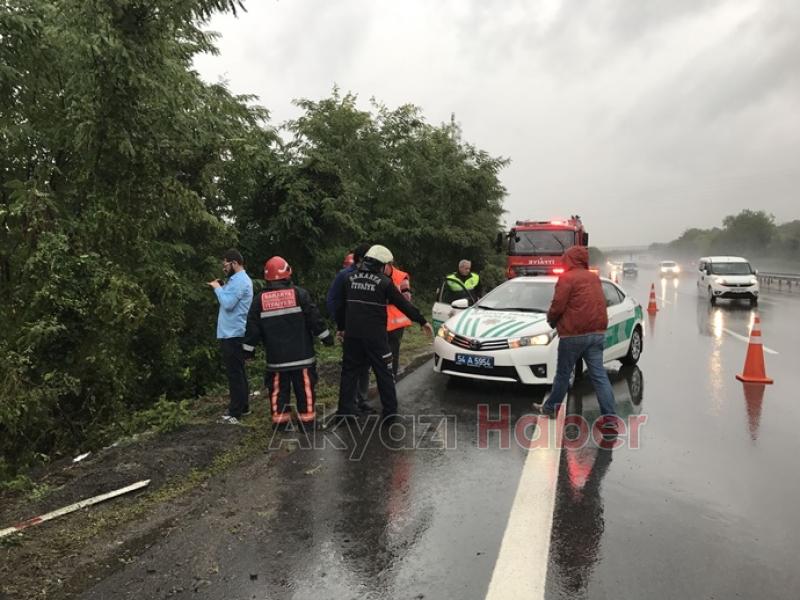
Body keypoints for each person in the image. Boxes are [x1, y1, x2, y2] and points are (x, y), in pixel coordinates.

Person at [333, 245, 433, 425]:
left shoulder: (348, 279)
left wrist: (341, 327)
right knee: (384, 374)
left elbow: (341, 307)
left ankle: (344, 413)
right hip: (376, 337)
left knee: (349, 373)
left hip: (353, 336)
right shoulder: (384, 282)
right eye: (388, 265)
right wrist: (422, 320)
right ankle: (389, 415)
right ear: (381, 264)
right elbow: (403, 304)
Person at [533, 246, 617, 430]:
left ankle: (550, 408)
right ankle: (610, 419)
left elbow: (557, 305)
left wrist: (551, 320)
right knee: (599, 376)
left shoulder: (567, 278)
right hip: (596, 333)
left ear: (569, 259)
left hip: (573, 334)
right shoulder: (594, 278)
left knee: (563, 374)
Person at [244, 256, 333, 430]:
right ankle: (307, 423)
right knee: (305, 388)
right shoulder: (300, 294)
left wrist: (248, 351)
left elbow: (252, 329)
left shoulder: (259, 300)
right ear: (287, 273)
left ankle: (281, 424)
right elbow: (314, 319)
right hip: (302, 356)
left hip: (276, 359)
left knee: (278, 390)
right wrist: (326, 338)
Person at [208, 249, 253, 424]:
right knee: (239, 371)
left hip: (233, 334)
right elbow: (229, 297)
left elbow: (227, 304)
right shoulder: (236, 281)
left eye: (225, 264)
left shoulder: (240, 281)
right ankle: (244, 406)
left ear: (234, 263)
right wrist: (223, 286)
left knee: (235, 373)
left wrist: (217, 288)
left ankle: (234, 413)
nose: (224, 268)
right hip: (232, 332)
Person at [326, 244, 373, 413]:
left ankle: (362, 400)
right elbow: (332, 301)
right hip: (350, 329)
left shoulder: (371, 275)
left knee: (365, 366)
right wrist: (341, 325)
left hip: (367, 330)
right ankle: (350, 404)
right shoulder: (344, 276)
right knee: (352, 367)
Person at [384, 260, 413, 379]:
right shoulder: (377, 275)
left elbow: (406, 298)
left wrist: (388, 299)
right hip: (380, 321)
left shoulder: (401, 276)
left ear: (389, 264)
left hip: (396, 323)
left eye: (382, 265)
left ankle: (392, 376)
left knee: (393, 351)